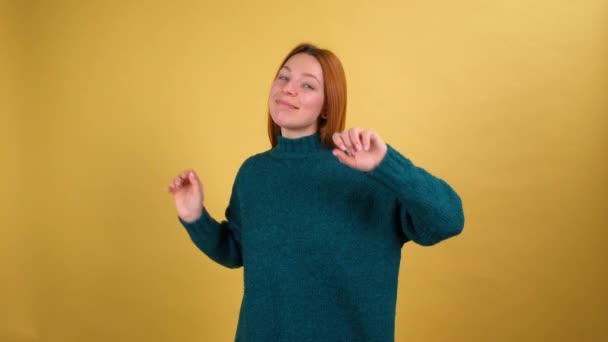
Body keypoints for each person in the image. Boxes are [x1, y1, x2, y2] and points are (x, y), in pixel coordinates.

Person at [167, 43, 465, 342]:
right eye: (283, 77)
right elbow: (236, 252)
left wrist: (387, 164)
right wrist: (195, 217)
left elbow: (448, 219)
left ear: (327, 105)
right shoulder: (254, 173)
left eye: (307, 84)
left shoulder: (366, 170)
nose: (288, 89)